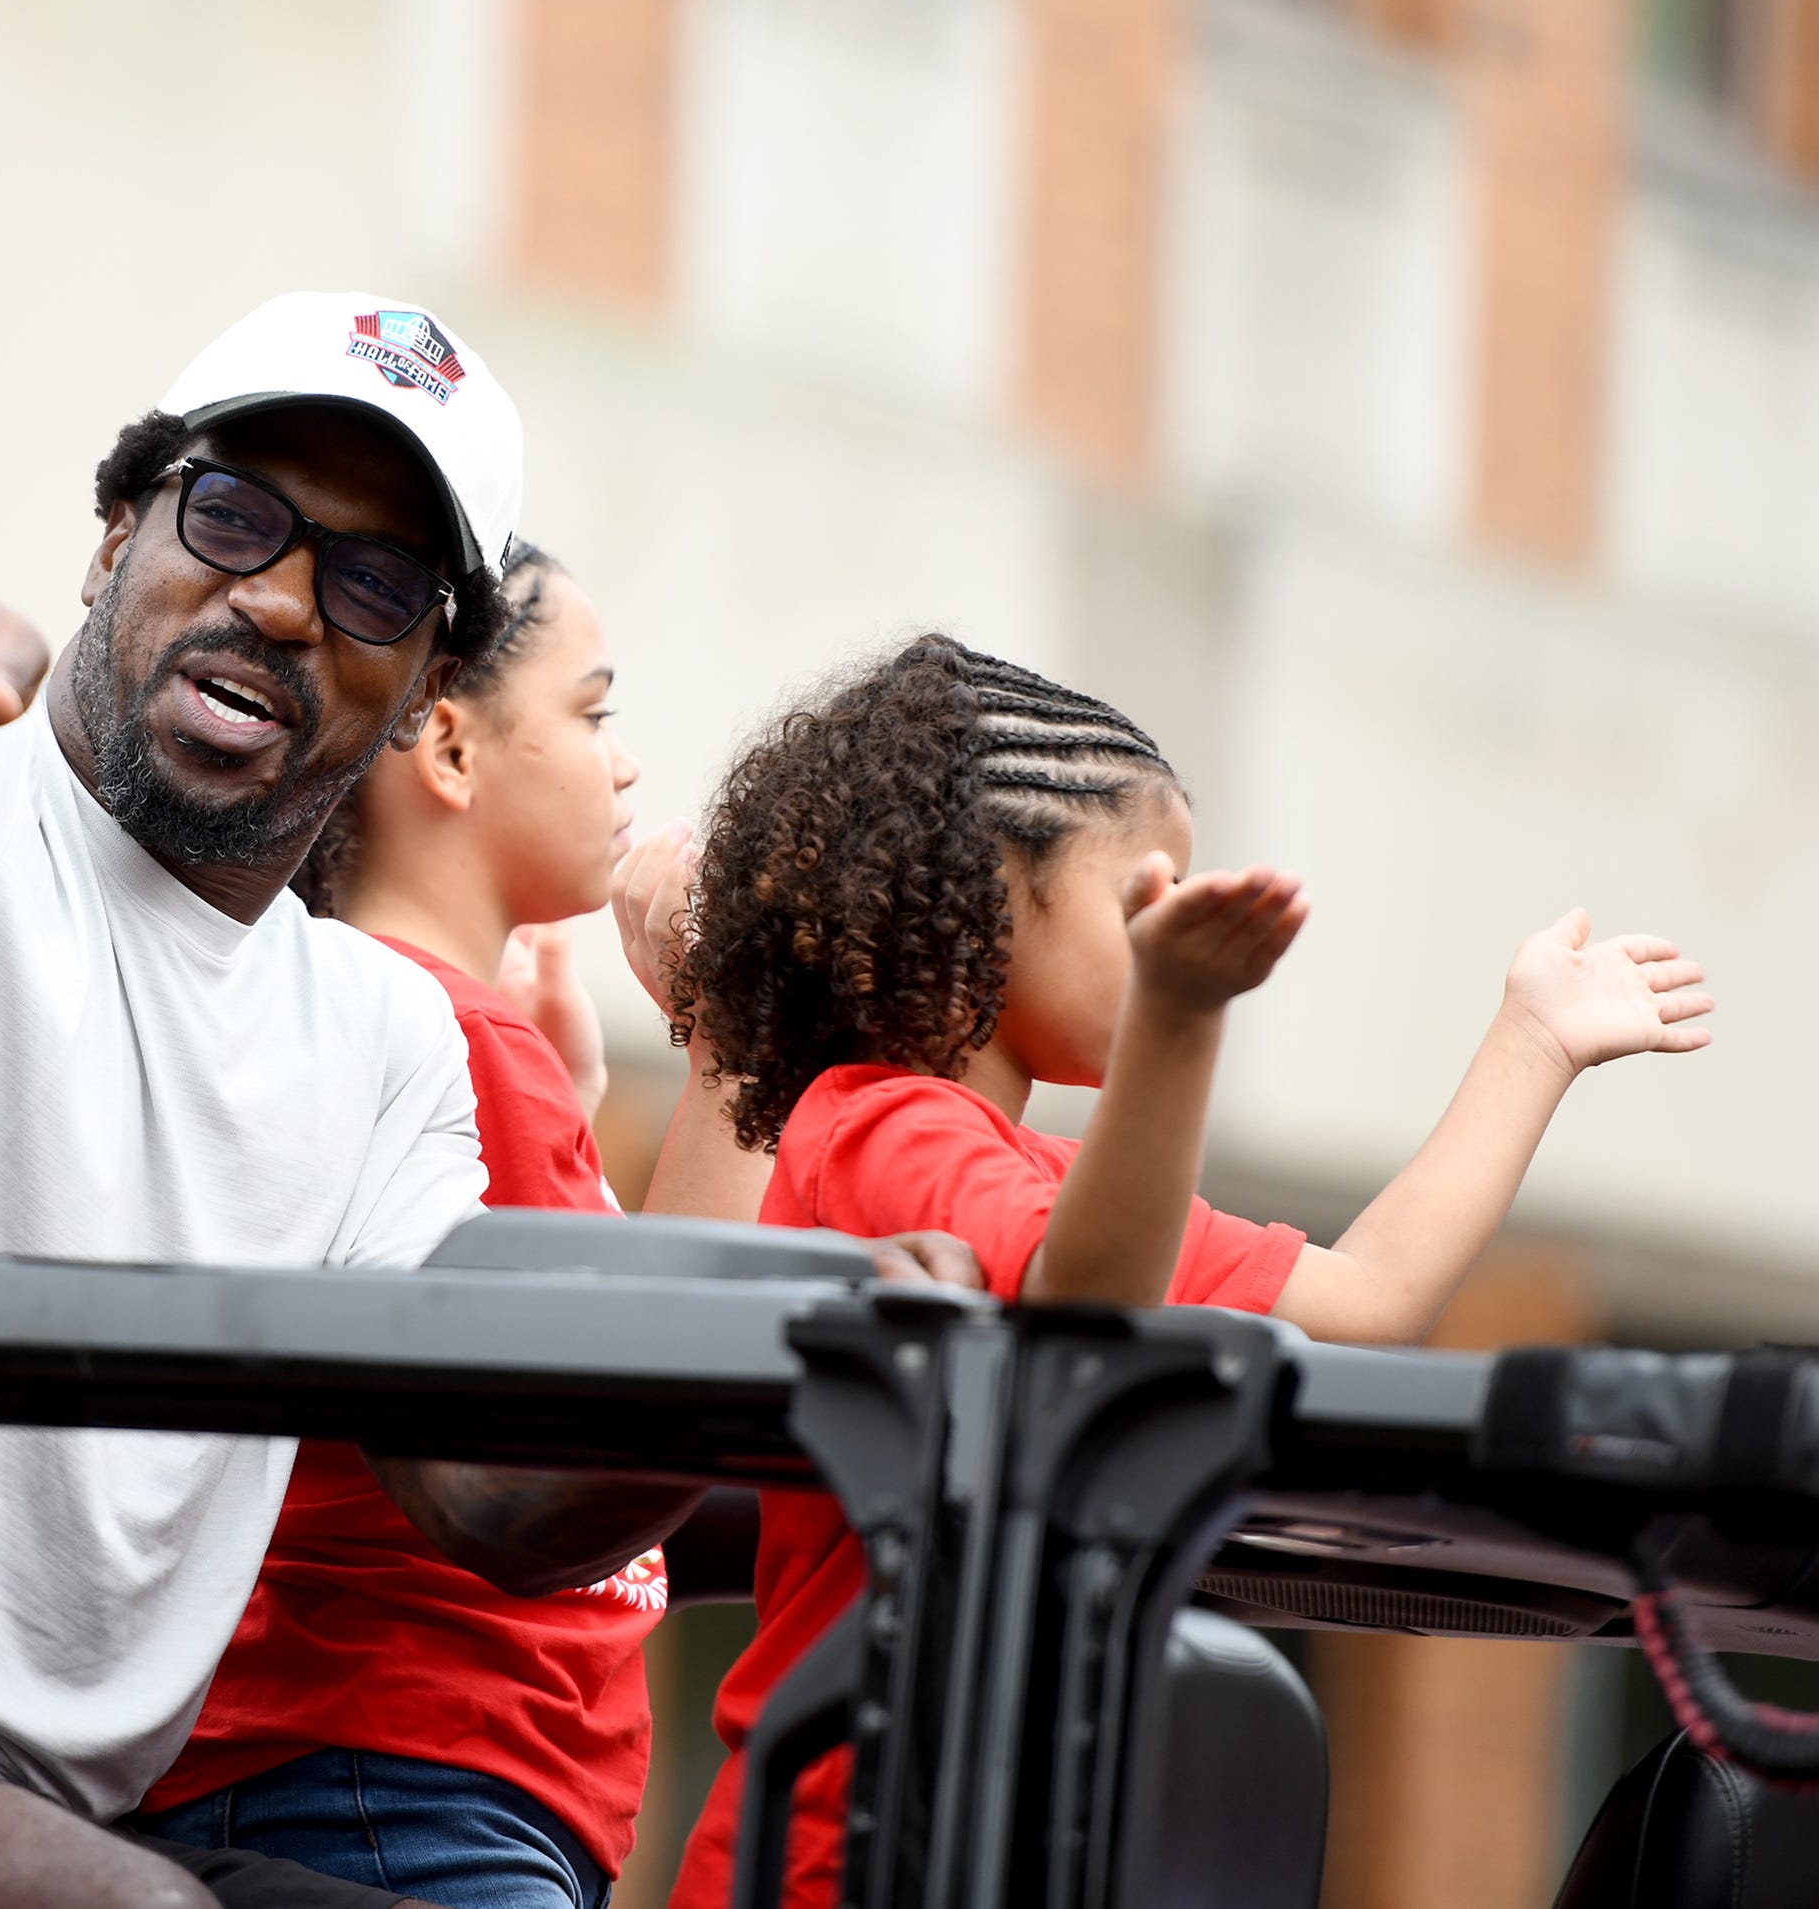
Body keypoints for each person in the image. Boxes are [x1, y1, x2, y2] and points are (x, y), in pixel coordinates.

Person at [0, 296, 721, 1909]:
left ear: (424, 692)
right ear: (118, 527)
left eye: (374, 581)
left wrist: (774, 1340)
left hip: (64, 1811)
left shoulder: (386, 1034)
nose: (276, 600)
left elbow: (489, 1501)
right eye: (235, 514)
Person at [660, 634, 1716, 1909]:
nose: (1175, 934)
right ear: (991, 896)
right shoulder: (877, 1123)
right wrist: (1180, 1016)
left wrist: (1534, 1041)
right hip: (848, 1846)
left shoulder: (1058, 1184)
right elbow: (1080, 1306)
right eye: (1141, 903)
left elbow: (1369, 1298)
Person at [130, 545, 973, 1908]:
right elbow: (657, 1383)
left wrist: (696, 1047)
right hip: (407, 1775)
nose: (627, 767)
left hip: (365, 1769)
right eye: (593, 712)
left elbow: (644, 1382)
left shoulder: (408, 1019)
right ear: (450, 744)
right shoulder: (454, 1035)